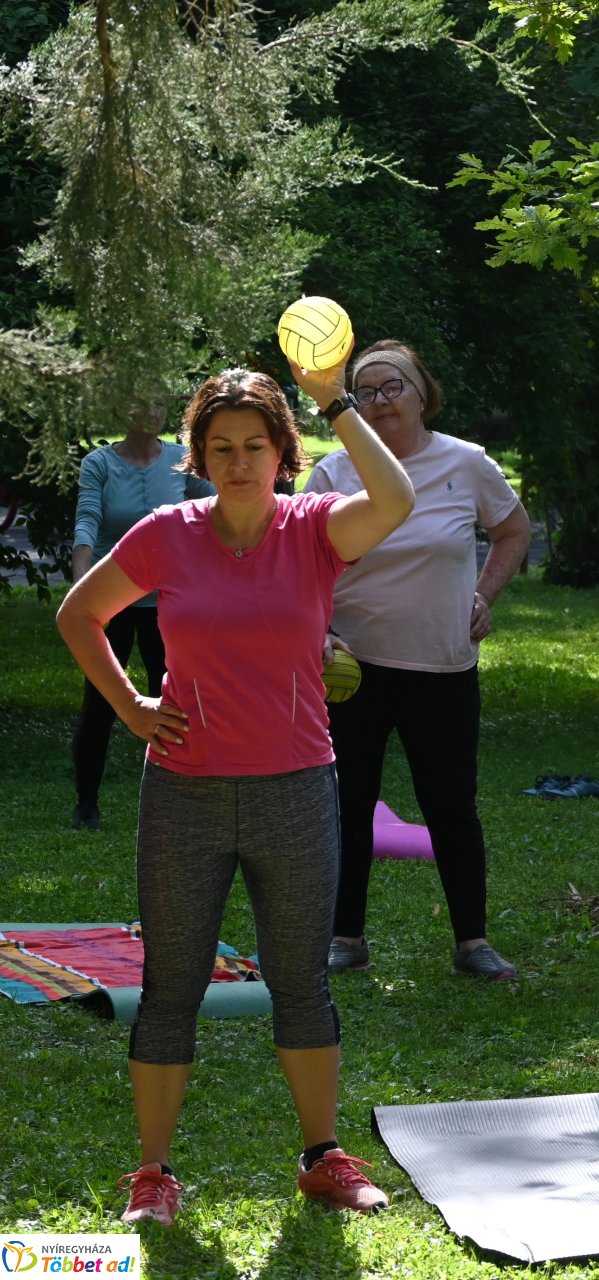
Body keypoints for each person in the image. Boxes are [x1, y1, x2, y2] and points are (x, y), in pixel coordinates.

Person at [57, 363, 415, 1226]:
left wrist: (334, 399)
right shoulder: (163, 534)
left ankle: (324, 1158)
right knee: (171, 985)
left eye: (255, 446)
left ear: (284, 453)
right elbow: (79, 614)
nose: (238, 461)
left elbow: (395, 499)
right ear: (199, 457)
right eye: (220, 448)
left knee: (301, 982)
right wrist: (132, 708)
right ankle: (153, 1175)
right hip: (185, 793)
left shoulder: (318, 529)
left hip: (296, 787)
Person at [307, 340, 531, 982]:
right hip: (354, 668)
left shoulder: (466, 463)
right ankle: (344, 936)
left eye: (392, 387)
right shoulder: (335, 473)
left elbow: (513, 529)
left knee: (452, 806)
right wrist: (320, 632)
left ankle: (473, 943)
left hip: (442, 666)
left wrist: (485, 594)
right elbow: (306, 563)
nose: (380, 402)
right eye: (365, 391)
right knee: (348, 804)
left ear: (422, 394)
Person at [68, 401, 214, 829]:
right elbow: (86, 525)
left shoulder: (180, 460)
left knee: (175, 701)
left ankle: (176, 803)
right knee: (100, 703)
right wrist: (82, 594)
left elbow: (215, 511)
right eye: (138, 400)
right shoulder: (100, 463)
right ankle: (86, 805)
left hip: (168, 603)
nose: (150, 411)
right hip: (112, 599)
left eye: (158, 402)